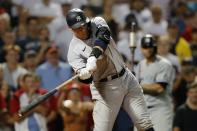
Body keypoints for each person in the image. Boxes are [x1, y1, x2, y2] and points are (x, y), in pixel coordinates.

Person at [66, 8, 154, 131]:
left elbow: (104, 36)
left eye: (84, 25)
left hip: (126, 78)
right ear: (71, 30)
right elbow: (85, 79)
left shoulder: (96, 22)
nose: (83, 29)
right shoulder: (73, 51)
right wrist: (84, 76)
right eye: (78, 28)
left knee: (145, 124)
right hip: (104, 89)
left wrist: (92, 57)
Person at [135, 34, 175, 131]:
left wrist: (137, 86)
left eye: (150, 46)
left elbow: (159, 88)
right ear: (141, 48)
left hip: (160, 109)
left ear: (155, 47)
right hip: (142, 110)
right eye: (145, 47)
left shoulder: (164, 64)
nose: (148, 49)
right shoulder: (140, 65)